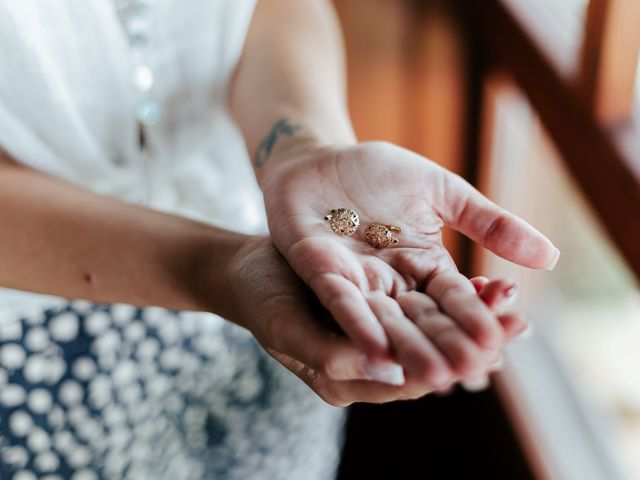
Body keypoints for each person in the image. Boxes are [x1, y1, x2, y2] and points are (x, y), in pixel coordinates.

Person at [0, 0, 559, 478]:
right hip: (37, 347)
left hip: (277, 268)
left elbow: (269, 9)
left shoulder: (314, 250)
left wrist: (302, 150)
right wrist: (217, 270)